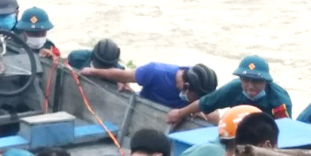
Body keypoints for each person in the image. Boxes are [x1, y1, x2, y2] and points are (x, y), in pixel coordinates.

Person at [166, 55, 292, 125]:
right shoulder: (233, 89)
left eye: (256, 81)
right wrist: (180, 113)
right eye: (245, 80)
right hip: (236, 129)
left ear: (266, 81)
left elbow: (286, 129)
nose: (250, 85)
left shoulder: (279, 100)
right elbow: (205, 103)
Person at [82, 62, 218, 109]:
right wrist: (92, 71)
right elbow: (124, 75)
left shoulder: (200, 85)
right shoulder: (155, 71)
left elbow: (214, 115)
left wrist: (191, 111)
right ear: (186, 87)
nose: (199, 101)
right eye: (197, 97)